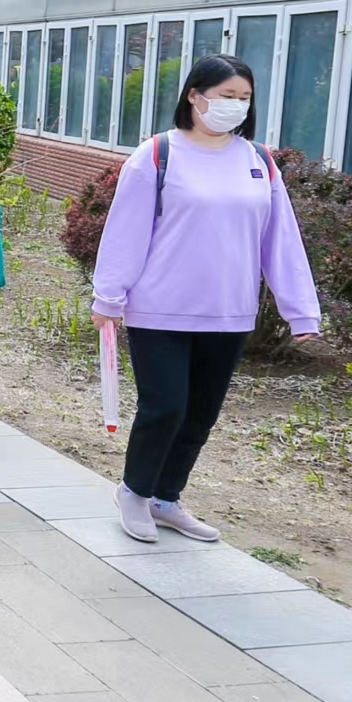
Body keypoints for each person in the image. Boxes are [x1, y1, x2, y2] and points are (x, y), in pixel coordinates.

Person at [92, 55, 319, 545]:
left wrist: (300, 311)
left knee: (201, 413)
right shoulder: (157, 154)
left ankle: (166, 498)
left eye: (244, 98)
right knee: (165, 406)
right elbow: (125, 232)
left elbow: (280, 241)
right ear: (195, 96)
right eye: (225, 96)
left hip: (229, 313)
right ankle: (133, 491)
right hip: (159, 310)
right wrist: (108, 297)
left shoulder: (259, 162)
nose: (235, 106)